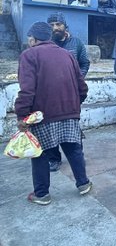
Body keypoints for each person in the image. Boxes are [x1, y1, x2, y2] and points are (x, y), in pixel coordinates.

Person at [15, 20, 91, 205]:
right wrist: (74, 105)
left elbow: (27, 90)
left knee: (40, 154)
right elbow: (82, 87)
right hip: (69, 112)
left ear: (32, 39)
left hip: (43, 115)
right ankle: (83, 184)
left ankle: (42, 194)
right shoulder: (67, 55)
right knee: (73, 149)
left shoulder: (29, 55)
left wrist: (22, 115)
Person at [43, 12, 91, 171]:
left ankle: (78, 156)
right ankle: (54, 158)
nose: (55, 28)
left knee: (73, 125)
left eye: (58, 24)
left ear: (65, 26)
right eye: (51, 25)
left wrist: (78, 79)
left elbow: (85, 63)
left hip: (71, 93)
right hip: (50, 94)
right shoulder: (45, 45)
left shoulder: (76, 43)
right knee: (50, 126)